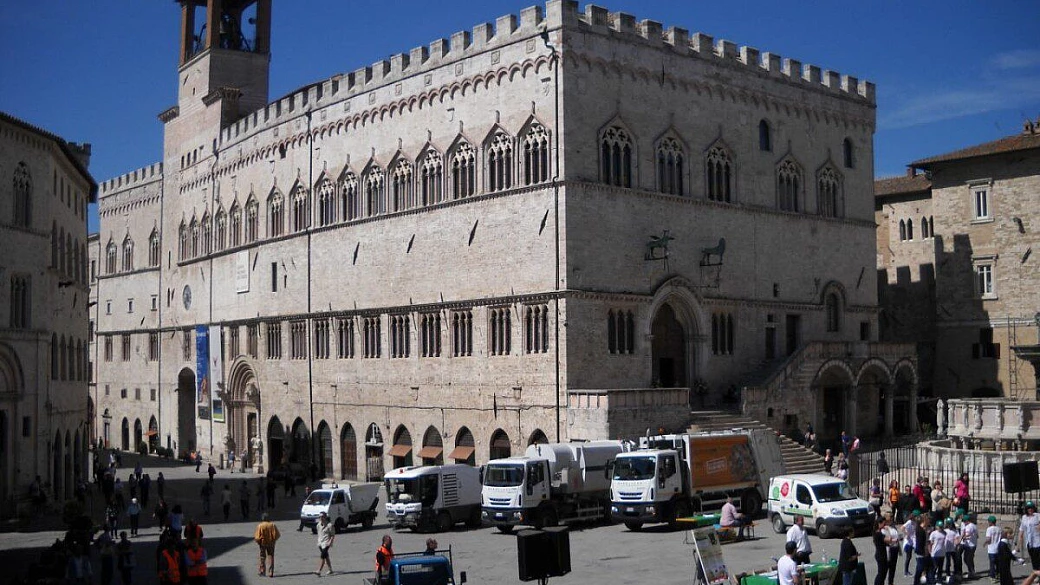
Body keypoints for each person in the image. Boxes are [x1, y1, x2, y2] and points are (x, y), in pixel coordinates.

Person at [254, 513, 281, 577]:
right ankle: (270, 572)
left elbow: (257, 537)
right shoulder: (272, 525)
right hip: (271, 543)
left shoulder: (260, 526)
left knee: (262, 557)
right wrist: (274, 540)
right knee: (271, 556)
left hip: (263, 543)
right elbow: (277, 535)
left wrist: (259, 542)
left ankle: (262, 571)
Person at [1021, 500, 1040, 572]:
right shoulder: (1024, 517)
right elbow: (1021, 529)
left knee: (1038, 559)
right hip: (1029, 543)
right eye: (1028, 508)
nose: (1030, 509)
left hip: (1037, 542)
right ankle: (1036, 573)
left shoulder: (1037, 515)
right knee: (1033, 560)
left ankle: (1037, 573)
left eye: (1031, 508)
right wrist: (1018, 545)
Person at [913, 514, 932, 585]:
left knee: (928, 568)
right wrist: (924, 552)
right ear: (924, 521)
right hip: (921, 553)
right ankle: (916, 583)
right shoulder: (920, 530)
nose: (929, 521)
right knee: (920, 569)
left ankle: (929, 582)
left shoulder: (924, 529)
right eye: (928, 520)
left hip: (925, 553)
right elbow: (920, 543)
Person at [315, 512, 335, 576]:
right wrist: (318, 542)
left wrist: (330, 542)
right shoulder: (318, 525)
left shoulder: (330, 525)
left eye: (322, 516)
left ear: (325, 517)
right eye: (320, 517)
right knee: (326, 556)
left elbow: (332, 535)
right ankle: (330, 570)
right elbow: (319, 534)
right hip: (320, 543)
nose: (321, 518)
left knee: (322, 556)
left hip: (326, 543)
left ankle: (319, 570)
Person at [873, 517, 891, 585]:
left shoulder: (878, 532)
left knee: (883, 573)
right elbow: (888, 539)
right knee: (881, 573)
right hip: (881, 555)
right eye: (884, 524)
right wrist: (888, 530)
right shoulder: (878, 533)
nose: (884, 525)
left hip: (882, 554)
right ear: (879, 524)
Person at [961, 513, 978, 578]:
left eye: (964, 521)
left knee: (967, 559)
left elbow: (967, 535)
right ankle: (971, 572)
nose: (963, 523)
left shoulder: (968, 526)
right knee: (970, 559)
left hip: (969, 546)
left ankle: (972, 572)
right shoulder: (974, 525)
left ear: (966, 521)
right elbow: (977, 535)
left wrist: (962, 538)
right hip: (974, 544)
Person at [930, 515, 947, 581]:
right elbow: (930, 543)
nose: (940, 528)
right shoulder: (933, 533)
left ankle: (939, 578)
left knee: (940, 567)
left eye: (941, 526)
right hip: (935, 553)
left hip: (942, 553)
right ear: (936, 526)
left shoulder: (945, 533)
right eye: (939, 526)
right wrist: (930, 551)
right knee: (934, 567)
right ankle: (932, 578)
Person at [901, 512, 918, 577]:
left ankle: (919, 571)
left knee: (918, 555)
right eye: (916, 517)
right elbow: (902, 527)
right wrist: (906, 533)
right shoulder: (909, 522)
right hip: (908, 541)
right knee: (909, 557)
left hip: (914, 541)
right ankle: (906, 572)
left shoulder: (916, 522)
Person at [987, 515, 1002, 580]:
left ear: (990, 522)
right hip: (998, 548)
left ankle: (992, 576)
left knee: (992, 563)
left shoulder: (989, 529)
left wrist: (985, 543)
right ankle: (998, 574)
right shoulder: (999, 528)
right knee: (998, 563)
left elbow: (988, 539)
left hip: (991, 549)